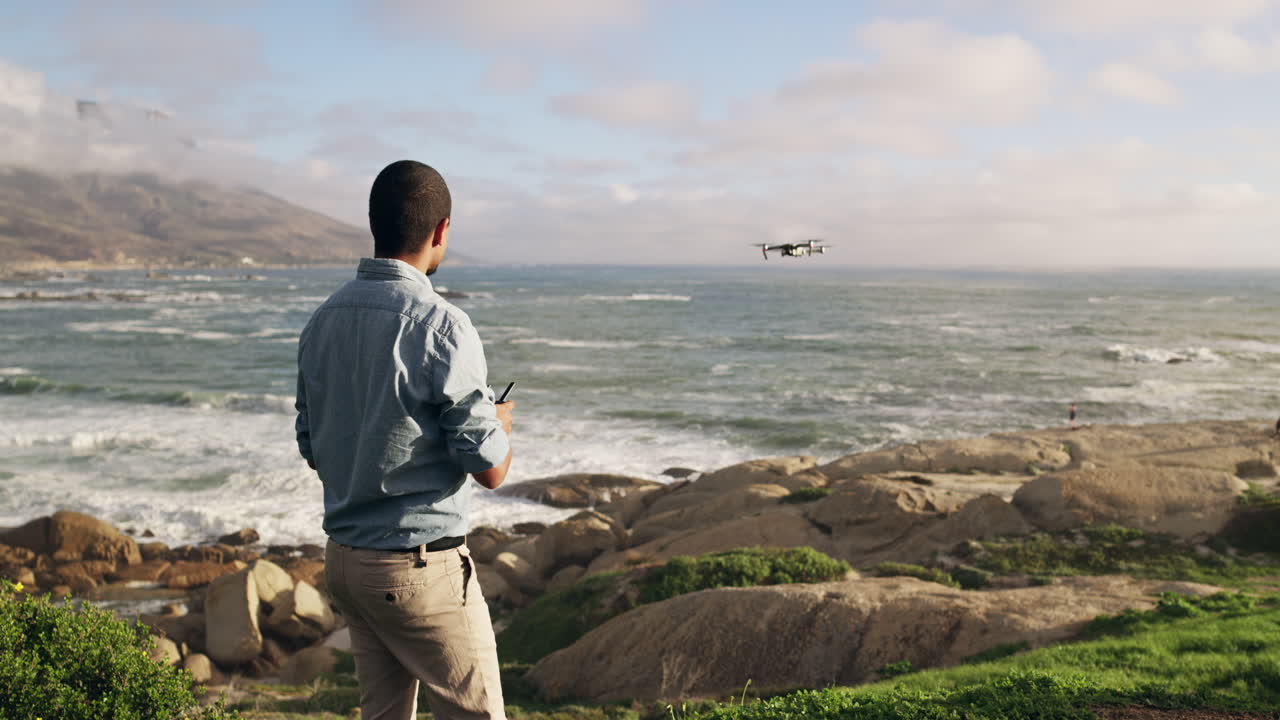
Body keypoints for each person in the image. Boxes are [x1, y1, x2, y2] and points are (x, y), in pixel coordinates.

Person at [295, 160, 513, 720]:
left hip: (347, 562)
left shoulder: (323, 320)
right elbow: (489, 468)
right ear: (440, 231)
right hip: (418, 569)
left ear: (375, 223)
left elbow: (311, 443)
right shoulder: (443, 326)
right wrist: (500, 424)